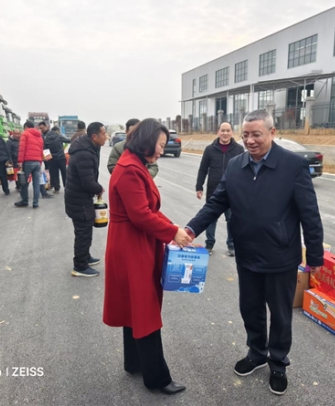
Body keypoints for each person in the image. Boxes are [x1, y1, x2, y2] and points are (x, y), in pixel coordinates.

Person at [185, 110, 324, 396]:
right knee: (250, 308)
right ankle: (257, 352)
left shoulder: (293, 165)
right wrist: (190, 229)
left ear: (272, 133)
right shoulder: (236, 165)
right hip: (247, 253)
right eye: (245, 135)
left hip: (280, 256)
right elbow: (217, 202)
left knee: (281, 315)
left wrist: (315, 255)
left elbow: (310, 214)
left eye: (256, 134)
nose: (250, 140)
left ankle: (278, 363)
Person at [103, 118, 192, 395]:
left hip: (134, 241)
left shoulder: (134, 163)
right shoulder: (130, 169)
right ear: (147, 140)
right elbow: (141, 215)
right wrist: (172, 233)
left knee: (134, 307)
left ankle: (135, 362)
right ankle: (157, 378)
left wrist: (173, 228)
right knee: (145, 310)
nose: (162, 151)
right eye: (161, 145)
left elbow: (148, 210)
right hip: (132, 246)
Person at [64, 122, 107, 277]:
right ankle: (80, 266)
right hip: (79, 199)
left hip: (79, 197)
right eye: (104, 134)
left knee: (85, 229)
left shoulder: (89, 147)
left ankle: (85, 256)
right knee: (83, 232)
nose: (106, 136)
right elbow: (87, 182)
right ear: (94, 136)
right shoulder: (84, 153)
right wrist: (99, 189)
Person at [195, 121, 244, 256]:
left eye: (228, 130)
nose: (225, 133)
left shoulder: (239, 150)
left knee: (232, 220)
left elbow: (243, 171)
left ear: (232, 133)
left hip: (232, 192)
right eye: (222, 130)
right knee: (211, 219)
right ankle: (209, 244)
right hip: (214, 191)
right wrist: (199, 187)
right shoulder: (210, 149)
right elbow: (203, 169)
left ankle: (231, 245)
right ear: (218, 132)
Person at [15, 121, 43, 209]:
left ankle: (24, 201)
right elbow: (41, 150)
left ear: (26, 127)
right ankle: (35, 203)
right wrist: (40, 161)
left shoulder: (25, 134)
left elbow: (22, 148)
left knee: (23, 182)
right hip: (37, 162)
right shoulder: (39, 135)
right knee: (36, 184)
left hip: (28, 162)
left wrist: (20, 161)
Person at [44, 126, 70, 193]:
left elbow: (45, 149)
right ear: (57, 131)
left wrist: (48, 159)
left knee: (54, 174)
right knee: (64, 173)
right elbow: (68, 140)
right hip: (61, 158)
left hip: (52, 159)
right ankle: (67, 187)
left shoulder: (46, 138)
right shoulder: (59, 136)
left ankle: (56, 188)